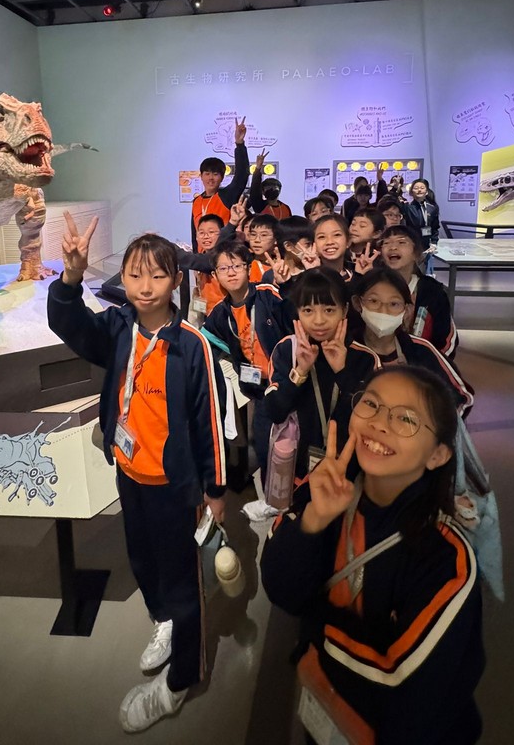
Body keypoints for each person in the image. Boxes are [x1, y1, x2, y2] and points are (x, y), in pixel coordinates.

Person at [47, 215, 227, 733]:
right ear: (122, 279)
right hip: (130, 473)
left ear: (177, 280)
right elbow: (71, 326)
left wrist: (215, 489)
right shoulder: (118, 328)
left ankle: (181, 679)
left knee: (185, 580)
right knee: (143, 559)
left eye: (157, 275)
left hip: (175, 485)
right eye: (134, 275)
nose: (145, 287)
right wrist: (70, 278)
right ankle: (163, 621)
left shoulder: (191, 344)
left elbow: (210, 424)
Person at [261, 366, 484, 745]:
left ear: (438, 455)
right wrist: (315, 518)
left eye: (406, 419)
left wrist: (315, 642)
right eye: (372, 404)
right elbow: (281, 590)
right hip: (328, 715)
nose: (380, 423)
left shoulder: (447, 560)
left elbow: (404, 688)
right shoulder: (326, 492)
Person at [254, 268, 351, 522]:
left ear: (345, 310)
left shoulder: (361, 355)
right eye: (308, 310)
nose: (318, 321)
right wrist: (300, 371)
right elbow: (275, 411)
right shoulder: (287, 350)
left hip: (347, 471)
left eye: (329, 310)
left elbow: (362, 416)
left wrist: (343, 373)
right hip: (300, 471)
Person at [202, 240, 295, 483]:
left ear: (247, 268)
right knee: (264, 449)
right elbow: (204, 342)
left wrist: (288, 286)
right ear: (215, 275)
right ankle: (271, 497)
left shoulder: (267, 294)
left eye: (237, 266)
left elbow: (294, 317)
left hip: (290, 385)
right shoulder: (220, 314)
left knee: (295, 447)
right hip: (260, 392)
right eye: (224, 268)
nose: (231, 273)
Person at [340, 268, 473, 420]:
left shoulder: (421, 351)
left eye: (394, 304)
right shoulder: (344, 351)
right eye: (374, 301)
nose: (383, 310)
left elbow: (461, 397)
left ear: (407, 309)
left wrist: (432, 431)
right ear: (358, 303)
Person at [379, 224, 458, 358]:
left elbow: (447, 340)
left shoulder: (432, 291)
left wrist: (429, 364)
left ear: (416, 253)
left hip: (423, 365)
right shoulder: (374, 288)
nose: (393, 247)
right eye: (386, 243)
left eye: (401, 242)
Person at [191, 116, 249, 248]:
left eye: (215, 174)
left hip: (223, 254)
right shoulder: (196, 201)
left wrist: (239, 144)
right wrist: (195, 256)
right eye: (207, 174)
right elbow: (194, 234)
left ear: (222, 177)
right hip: (202, 256)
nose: (211, 178)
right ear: (201, 176)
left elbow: (241, 176)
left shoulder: (226, 196)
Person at [401, 179, 440, 274]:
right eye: (416, 188)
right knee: (410, 271)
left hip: (426, 245)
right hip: (412, 245)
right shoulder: (408, 207)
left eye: (422, 188)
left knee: (424, 272)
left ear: (426, 191)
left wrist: (434, 243)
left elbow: (435, 227)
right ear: (411, 192)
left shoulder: (432, 208)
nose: (419, 190)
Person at [249, 150, 291, 219]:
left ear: (279, 191)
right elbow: (255, 189)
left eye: (274, 187)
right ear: (262, 192)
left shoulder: (286, 208)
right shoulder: (260, 206)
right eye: (268, 188)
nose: (271, 189)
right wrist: (258, 168)